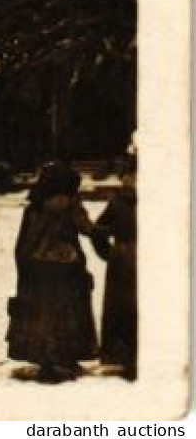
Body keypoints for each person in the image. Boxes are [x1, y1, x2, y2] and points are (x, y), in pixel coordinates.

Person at [7, 161, 98, 382]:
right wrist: (105, 231)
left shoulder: (36, 206)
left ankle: (45, 357)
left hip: (39, 267)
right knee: (67, 313)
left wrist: (23, 266)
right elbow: (87, 228)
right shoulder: (71, 205)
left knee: (43, 313)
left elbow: (26, 240)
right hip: (67, 266)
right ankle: (64, 357)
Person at [91, 158, 137, 380]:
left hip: (147, 259)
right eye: (129, 176)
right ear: (122, 179)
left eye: (137, 176)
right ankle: (121, 357)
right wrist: (109, 254)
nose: (134, 181)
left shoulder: (156, 202)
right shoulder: (116, 203)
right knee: (122, 309)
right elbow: (98, 230)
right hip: (123, 261)